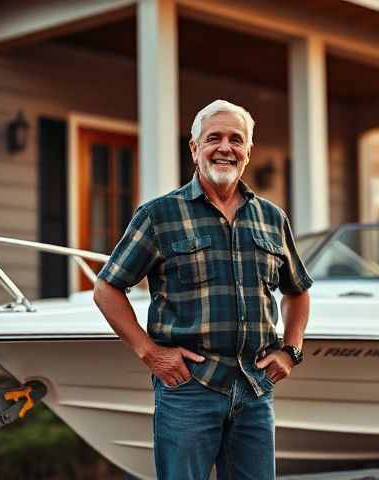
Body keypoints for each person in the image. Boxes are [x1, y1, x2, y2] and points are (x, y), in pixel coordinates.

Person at [93, 99, 312, 480]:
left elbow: (298, 290)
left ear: (247, 152)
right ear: (194, 149)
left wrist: (291, 350)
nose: (225, 147)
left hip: (254, 390)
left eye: (236, 140)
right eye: (214, 138)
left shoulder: (271, 218)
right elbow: (107, 288)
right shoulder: (159, 215)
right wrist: (151, 353)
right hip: (189, 390)